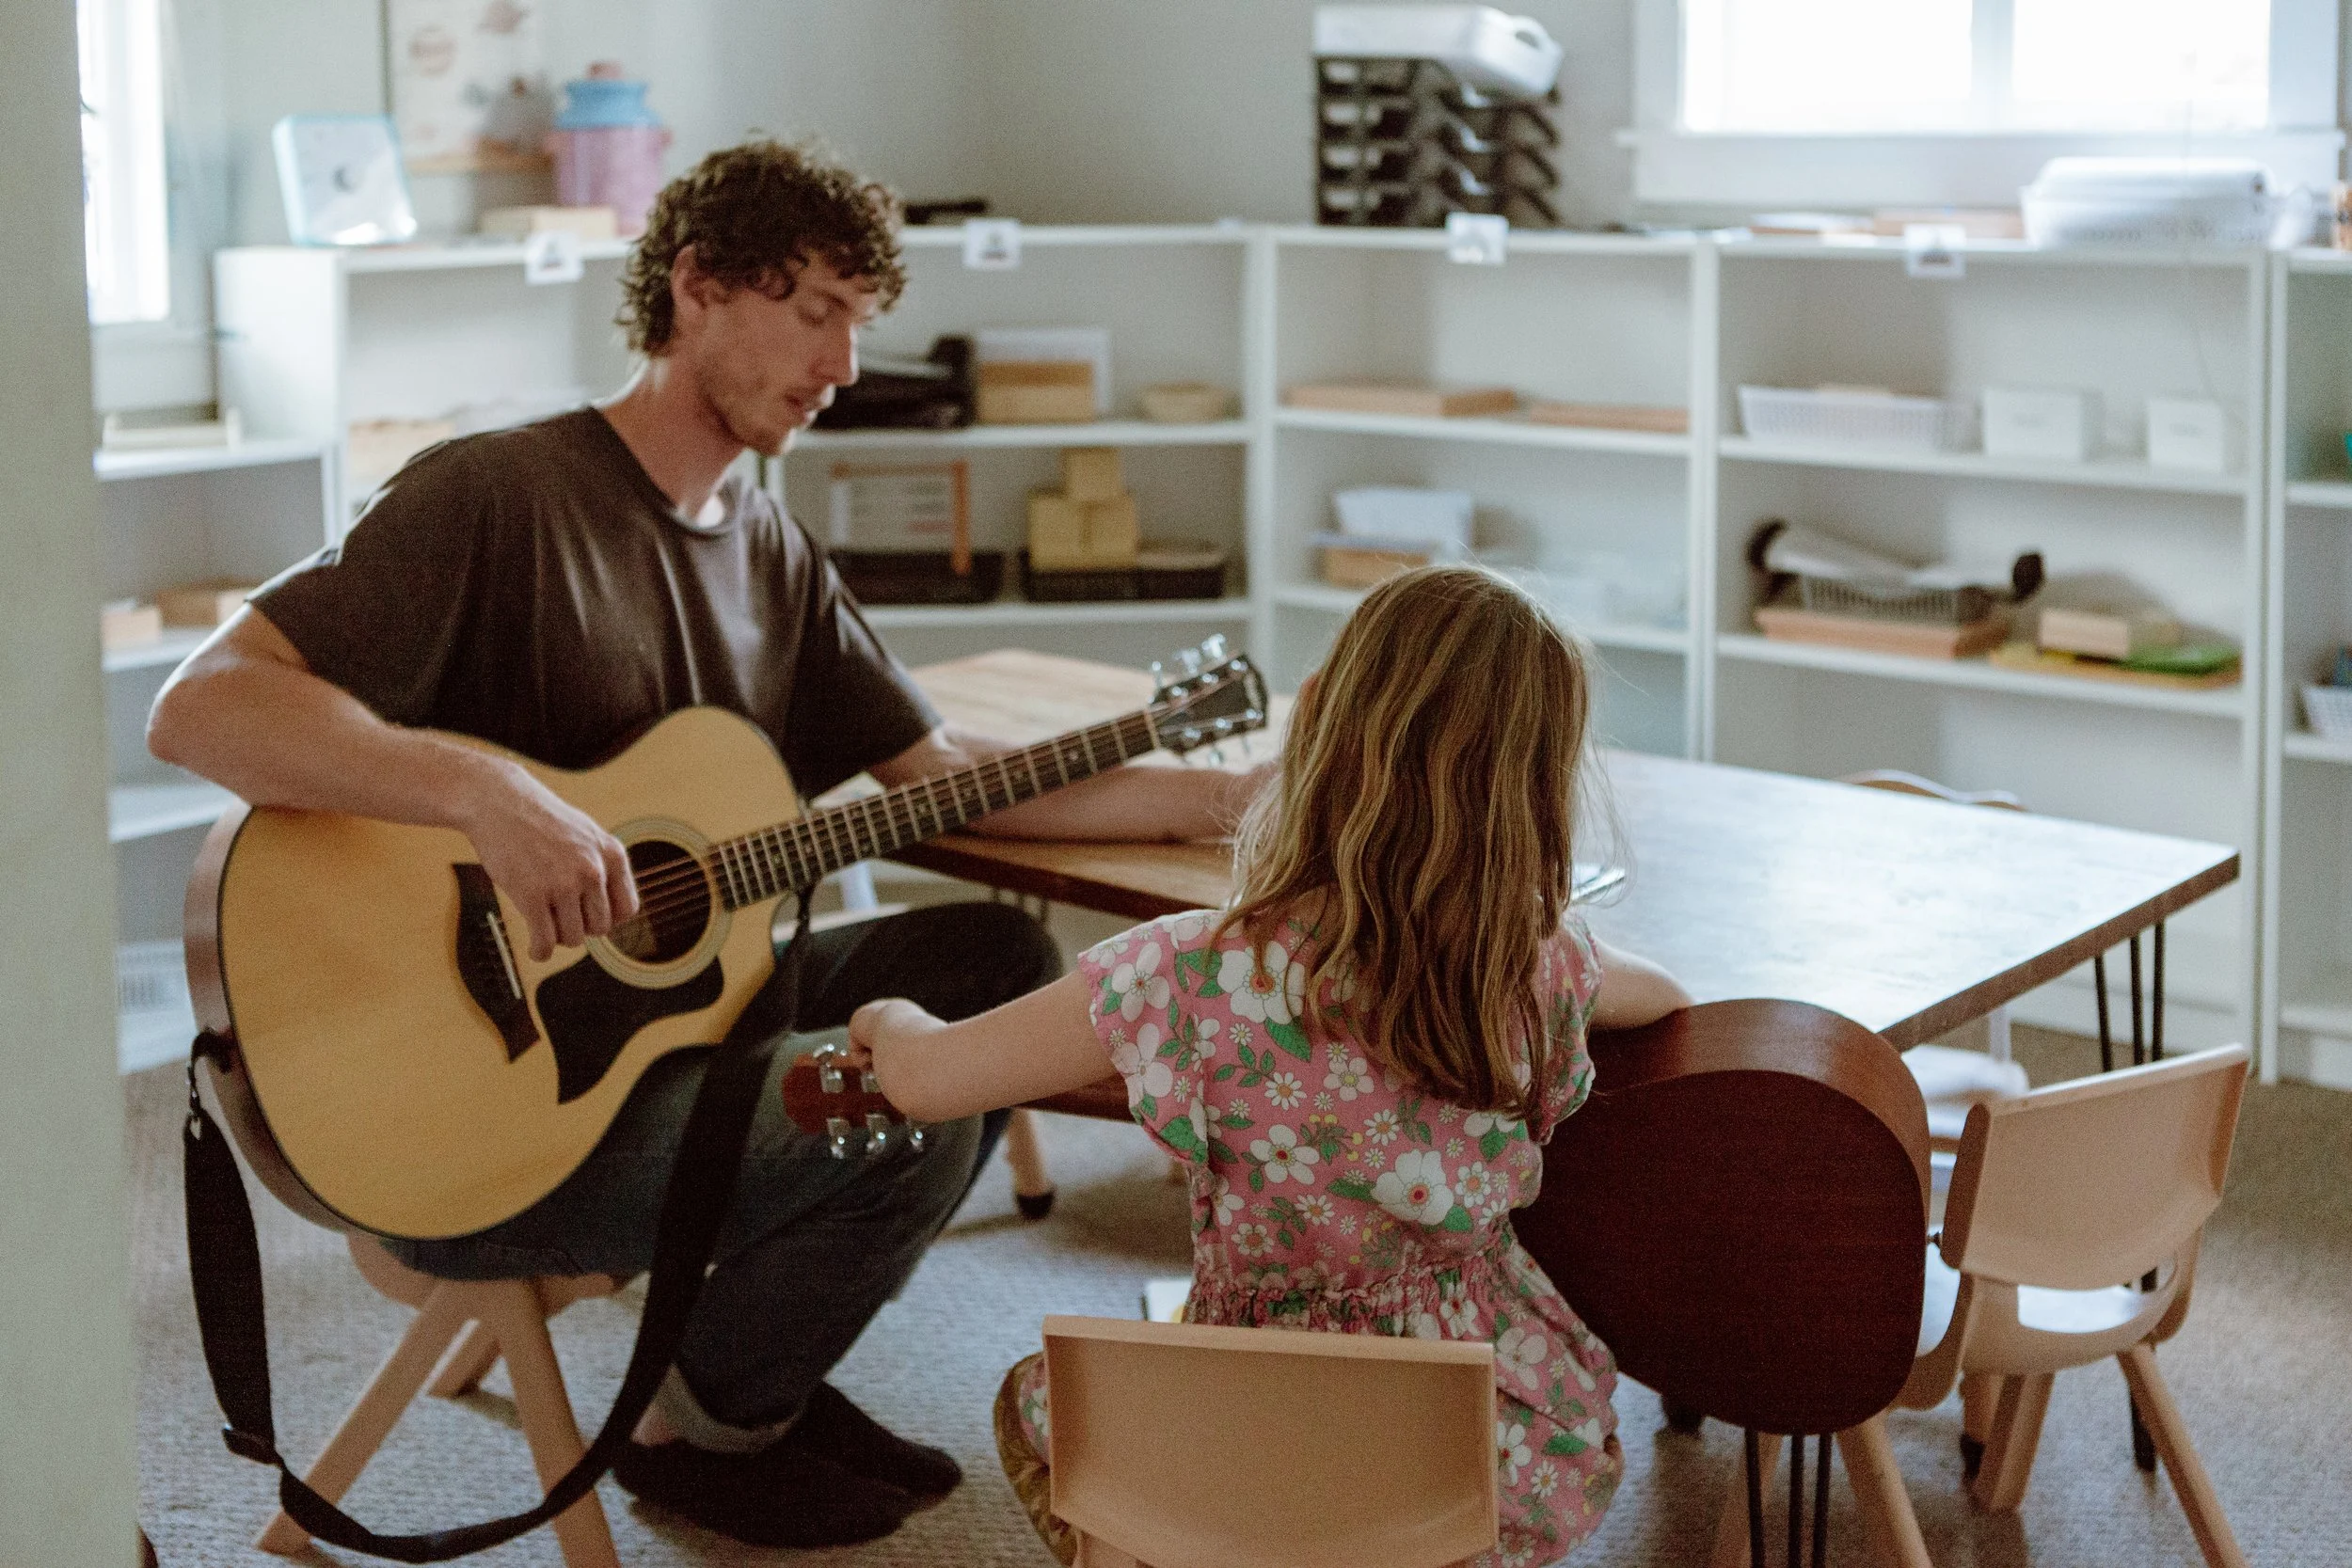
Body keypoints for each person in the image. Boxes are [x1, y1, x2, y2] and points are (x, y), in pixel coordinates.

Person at [146, 139, 1264, 1550]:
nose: (848, 364)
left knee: (994, 961)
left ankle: (737, 1375)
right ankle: (703, 1429)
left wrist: (1225, 798)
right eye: (816, 312)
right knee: (909, 1098)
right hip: (489, 1116)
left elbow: (947, 784)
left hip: (664, 1036)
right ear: (694, 287)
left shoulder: (768, 545)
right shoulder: (498, 495)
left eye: (863, 321)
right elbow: (204, 705)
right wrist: (487, 794)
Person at [845, 564, 1693, 1567]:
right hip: (1471, 1441)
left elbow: (926, 1080)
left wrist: (886, 1012)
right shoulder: (1540, 965)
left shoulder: (1187, 968)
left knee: (1069, 1420)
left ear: (1323, 721)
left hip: (1234, 1434)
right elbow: (1669, 996)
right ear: (1539, 780)